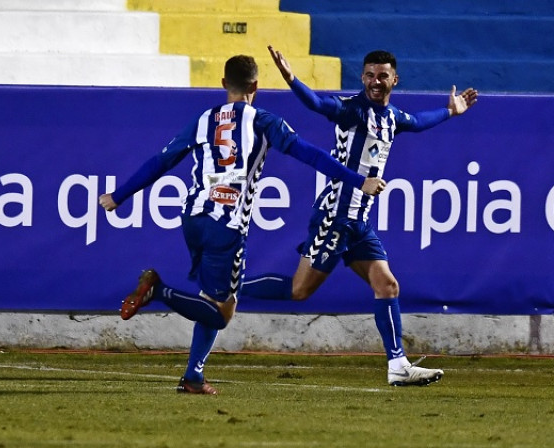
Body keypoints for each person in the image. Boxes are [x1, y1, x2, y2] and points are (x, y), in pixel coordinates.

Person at [99, 54, 386, 395]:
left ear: (224, 84)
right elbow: (311, 154)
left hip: (192, 218)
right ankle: (158, 290)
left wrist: (119, 195)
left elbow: (160, 161)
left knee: (211, 298)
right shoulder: (263, 120)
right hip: (228, 224)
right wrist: (357, 180)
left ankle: (193, 376)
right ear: (256, 86)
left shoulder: (203, 119)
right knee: (221, 312)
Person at [240, 46, 478, 387]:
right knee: (299, 291)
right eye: (369, 75)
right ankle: (229, 288)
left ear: (395, 79)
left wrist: (450, 111)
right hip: (335, 216)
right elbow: (319, 104)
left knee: (387, 285)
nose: (375, 82)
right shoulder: (352, 110)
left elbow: (419, 121)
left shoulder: (391, 117)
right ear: (362, 77)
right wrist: (292, 79)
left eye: (382, 76)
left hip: (358, 223)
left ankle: (398, 365)